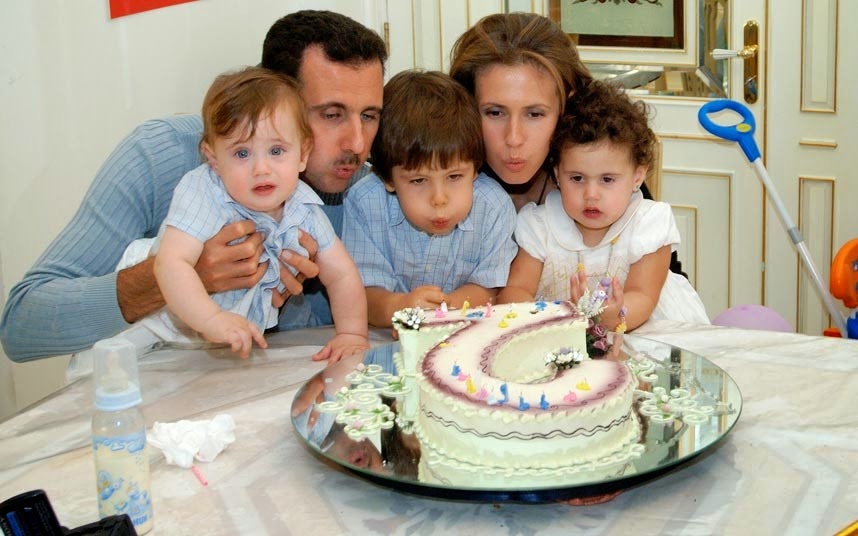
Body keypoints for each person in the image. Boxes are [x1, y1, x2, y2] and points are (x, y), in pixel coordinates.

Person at [0, 10, 386, 362]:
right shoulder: (161, 156)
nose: (356, 144)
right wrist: (180, 278)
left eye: (369, 116)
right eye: (331, 114)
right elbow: (21, 326)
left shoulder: (370, 187)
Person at [150, 67, 367, 360]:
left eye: (276, 151)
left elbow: (341, 274)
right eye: (242, 153)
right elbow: (171, 263)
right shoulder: (204, 190)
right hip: (156, 326)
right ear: (213, 159)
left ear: (303, 154)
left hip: (229, 338)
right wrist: (211, 319)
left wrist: (351, 334)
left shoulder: (302, 206)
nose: (261, 169)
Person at [449, 11, 688, 278]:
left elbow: (670, 280)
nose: (513, 138)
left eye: (535, 114)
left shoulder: (599, 168)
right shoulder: (440, 178)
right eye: (494, 113)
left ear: (568, 105)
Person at [497, 80, 709, 331]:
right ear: (557, 174)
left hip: (641, 330)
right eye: (577, 178)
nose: (591, 195)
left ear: (638, 177)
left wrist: (610, 315)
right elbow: (516, 289)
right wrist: (538, 317)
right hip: (560, 336)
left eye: (607, 180)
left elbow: (643, 296)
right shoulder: (539, 226)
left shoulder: (648, 223)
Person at [342, 70, 517, 327]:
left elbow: (488, 288)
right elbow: (362, 295)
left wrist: (441, 314)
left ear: (475, 169)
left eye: (454, 176)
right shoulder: (365, 203)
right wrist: (401, 309)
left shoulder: (494, 207)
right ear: (388, 178)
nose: (439, 199)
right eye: (418, 181)